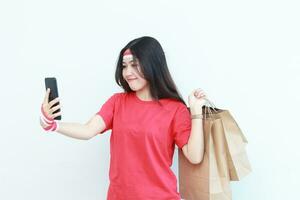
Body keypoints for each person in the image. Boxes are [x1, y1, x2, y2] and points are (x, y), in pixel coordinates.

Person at [39, 36, 207, 200]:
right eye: (125, 66)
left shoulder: (175, 109)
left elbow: (194, 156)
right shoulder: (117, 102)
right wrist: (52, 124)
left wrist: (196, 111)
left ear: (152, 65)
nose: (127, 72)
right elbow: (87, 130)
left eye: (134, 64)